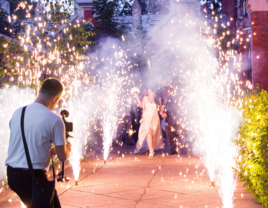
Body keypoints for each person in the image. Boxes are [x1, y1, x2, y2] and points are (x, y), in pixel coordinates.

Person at [5, 78, 72, 208]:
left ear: (40, 91)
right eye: (58, 101)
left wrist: (49, 150)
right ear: (55, 98)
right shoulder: (54, 119)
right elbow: (63, 157)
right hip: (32, 177)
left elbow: (25, 140)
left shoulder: (19, 112)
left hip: (13, 175)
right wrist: (68, 147)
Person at [134, 89, 164, 157]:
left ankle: (152, 149)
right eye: (148, 92)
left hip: (155, 119)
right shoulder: (145, 98)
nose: (149, 93)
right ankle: (150, 150)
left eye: (150, 92)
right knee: (149, 133)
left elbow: (160, 111)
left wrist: (163, 114)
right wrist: (136, 97)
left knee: (153, 135)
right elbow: (141, 106)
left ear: (154, 92)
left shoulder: (158, 100)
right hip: (147, 118)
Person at [161, 86, 179, 155]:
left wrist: (165, 113)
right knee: (175, 134)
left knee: (172, 135)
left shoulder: (171, 98)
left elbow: (171, 109)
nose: (167, 92)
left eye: (167, 91)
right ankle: (180, 150)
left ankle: (173, 150)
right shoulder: (173, 97)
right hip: (174, 118)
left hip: (172, 119)